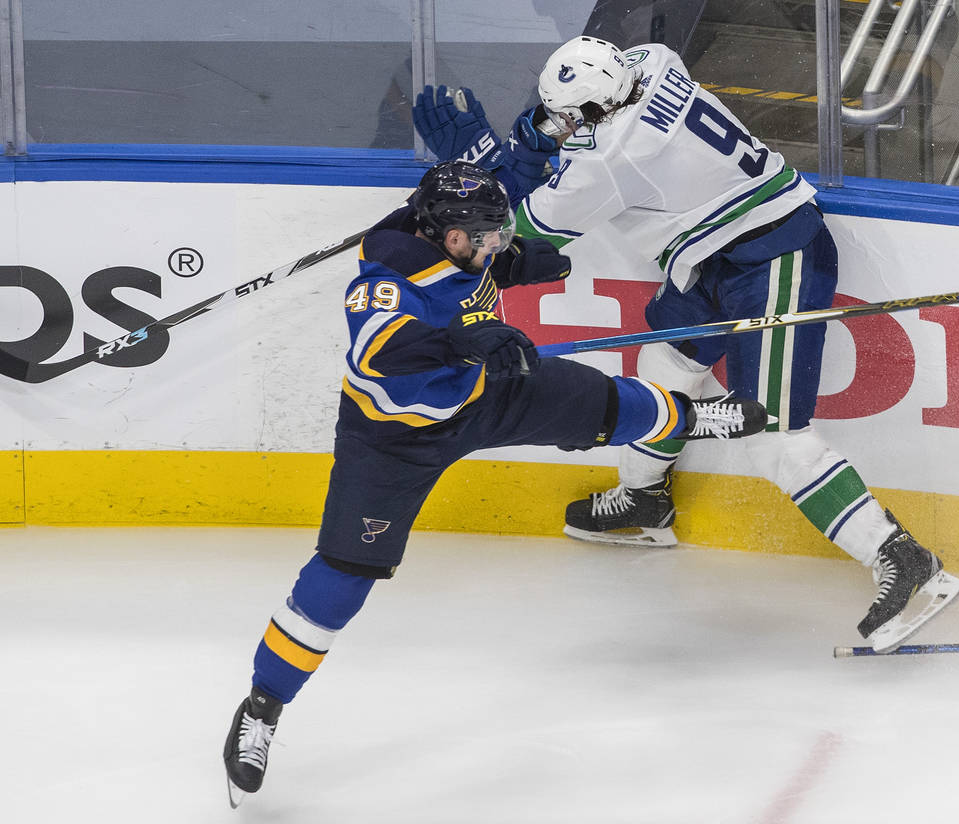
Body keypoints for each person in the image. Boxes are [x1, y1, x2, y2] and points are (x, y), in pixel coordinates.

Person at [221, 160, 769, 806]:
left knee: (595, 400)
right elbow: (382, 349)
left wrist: (511, 267)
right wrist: (463, 339)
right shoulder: (385, 281)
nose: (491, 246)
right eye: (480, 238)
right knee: (344, 573)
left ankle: (692, 417)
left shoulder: (463, 249)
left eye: (495, 235)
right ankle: (263, 705)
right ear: (441, 233)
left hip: (484, 397)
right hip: (393, 438)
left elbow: (480, 277)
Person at [412, 37, 959, 655]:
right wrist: (538, 134)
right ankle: (645, 502)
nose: (563, 125)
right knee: (664, 366)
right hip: (709, 260)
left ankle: (903, 558)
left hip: (774, 256)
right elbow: (564, 129)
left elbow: (513, 230)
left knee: (772, 434)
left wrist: (482, 163)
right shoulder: (653, 60)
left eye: (572, 116)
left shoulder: (612, 162)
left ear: (597, 111)